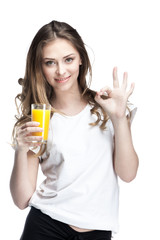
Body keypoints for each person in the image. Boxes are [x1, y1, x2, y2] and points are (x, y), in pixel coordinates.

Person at [10, 20, 139, 240]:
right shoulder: (39, 119)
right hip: (45, 227)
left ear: (80, 59)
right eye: (50, 62)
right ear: (40, 67)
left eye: (68, 59)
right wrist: (20, 150)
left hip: (97, 230)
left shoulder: (107, 108)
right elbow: (22, 200)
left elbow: (128, 174)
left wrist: (119, 119)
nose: (61, 70)